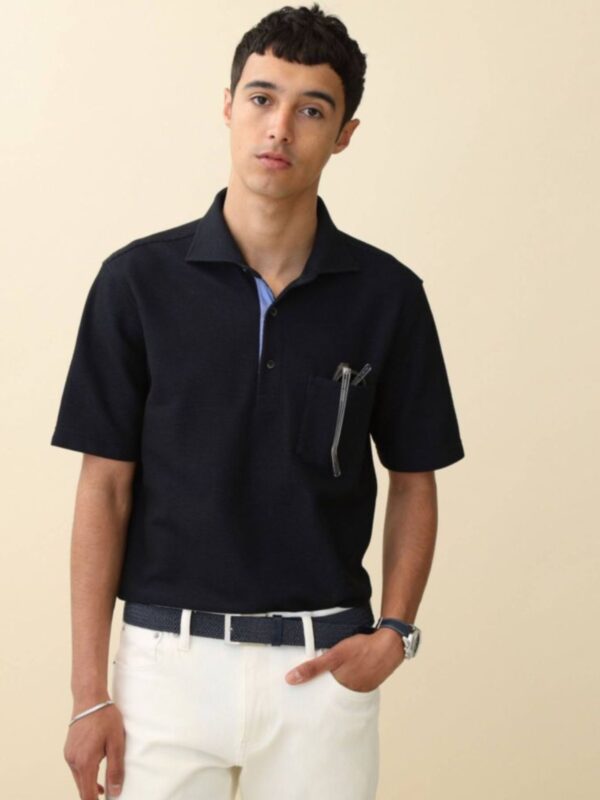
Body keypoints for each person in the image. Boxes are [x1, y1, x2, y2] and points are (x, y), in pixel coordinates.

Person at [51, 4, 465, 799]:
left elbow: (416, 478)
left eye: (312, 110)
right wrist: (88, 692)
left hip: (323, 669)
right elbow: (103, 488)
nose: (280, 127)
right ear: (228, 106)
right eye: (262, 98)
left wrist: (395, 632)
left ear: (344, 134)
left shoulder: (387, 297)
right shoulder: (136, 283)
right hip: (163, 672)